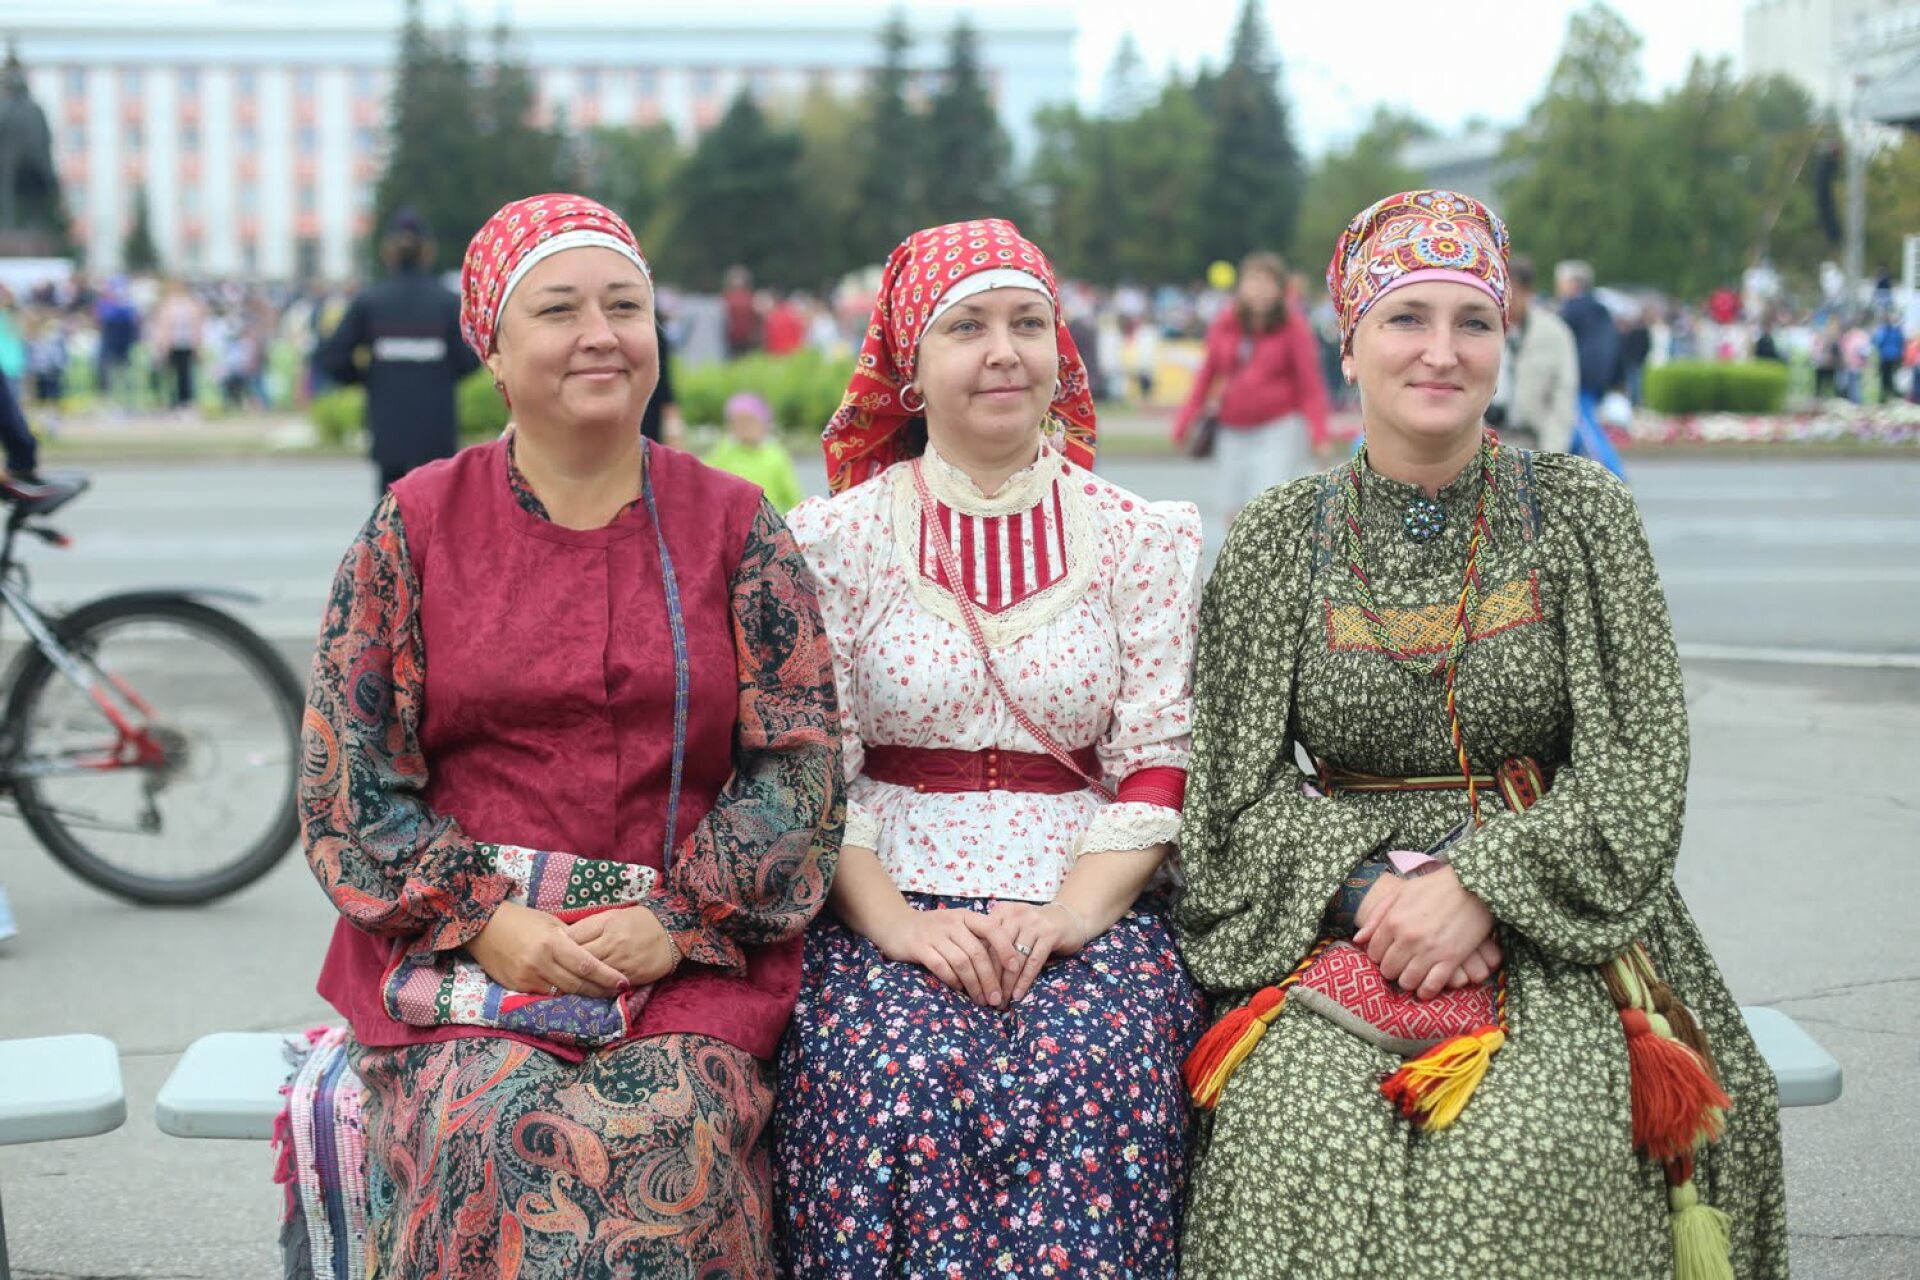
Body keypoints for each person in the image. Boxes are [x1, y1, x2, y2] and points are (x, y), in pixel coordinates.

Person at [1174, 190, 1786, 1277]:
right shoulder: (1275, 539)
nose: (1441, 351)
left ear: (1505, 343)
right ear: (1348, 344)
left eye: (1474, 321)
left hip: (1554, 923)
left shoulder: (1583, 515)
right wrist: (1373, 895)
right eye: (1406, 317)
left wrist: (1481, 886)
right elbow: (1226, 794)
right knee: (1289, 1138)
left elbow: (1640, 764)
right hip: (1340, 918)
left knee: (1536, 1152)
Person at [300, 193, 845, 1277]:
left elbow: (797, 766)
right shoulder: (416, 525)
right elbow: (350, 779)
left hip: (687, 961)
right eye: (558, 309)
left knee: (668, 1139)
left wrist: (678, 919)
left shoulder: (735, 523)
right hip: (464, 961)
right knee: (496, 1133)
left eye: (625, 307)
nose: (601, 334)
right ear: (494, 352)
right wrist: (482, 919)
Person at [774, 219, 1205, 1277]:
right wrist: (900, 929)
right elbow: (816, 767)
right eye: (967, 327)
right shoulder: (837, 538)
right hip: (883, 889)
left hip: (1089, 888)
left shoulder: (1139, 536)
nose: (1004, 351)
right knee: (893, 1076)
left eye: (1028, 323)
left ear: (1062, 350)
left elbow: (1159, 755)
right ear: (910, 368)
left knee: (1096, 1069)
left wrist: (1069, 916)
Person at [315, 209, 481, 495]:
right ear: (427, 250)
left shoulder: (370, 302)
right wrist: (438, 375)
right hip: (436, 430)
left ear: (388, 251)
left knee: (391, 514)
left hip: (389, 428)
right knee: (437, 510)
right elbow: (469, 361)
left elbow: (331, 357)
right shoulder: (446, 303)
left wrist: (368, 377)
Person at [1172, 250, 1330, 525]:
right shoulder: (1225, 324)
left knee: (1268, 507)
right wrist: (1185, 421)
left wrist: (1319, 434)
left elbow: (1310, 386)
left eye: (1267, 283)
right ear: (1241, 287)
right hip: (1232, 429)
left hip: (1278, 427)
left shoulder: (1293, 327)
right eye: (1253, 282)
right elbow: (1206, 377)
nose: (1259, 290)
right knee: (1232, 509)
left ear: (1280, 290)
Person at [1489, 254, 1577, 452]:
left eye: (1512, 292)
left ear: (1528, 292)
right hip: (1487, 441)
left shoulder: (1554, 334)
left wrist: (1552, 453)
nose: (1505, 300)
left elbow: (1564, 395)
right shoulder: (1481, 328)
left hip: (1534, 441)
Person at [704, 390, 802, 513]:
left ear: (763, 422)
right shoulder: (722, 453)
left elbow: (793, 497)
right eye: (738, 421)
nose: (744, 427)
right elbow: (705, 488)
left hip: (769, 521)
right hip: (733, 520)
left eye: (749, 420)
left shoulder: (776, 455)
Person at [1554, 259, 1622, 421]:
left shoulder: (1572, 309)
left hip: (1580, 375)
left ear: (1573, 284)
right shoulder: (1601, 309)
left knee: (1582, 423)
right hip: (1601, 375)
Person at [150, 279, 205, 411]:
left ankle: (184, 402)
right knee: (177, 374)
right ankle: (177, 401)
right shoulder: (175, 304)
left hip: (182, 343)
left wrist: (197, 345)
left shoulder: (185, 305)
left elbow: (196, 326)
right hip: (176, 344)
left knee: (183, 374)